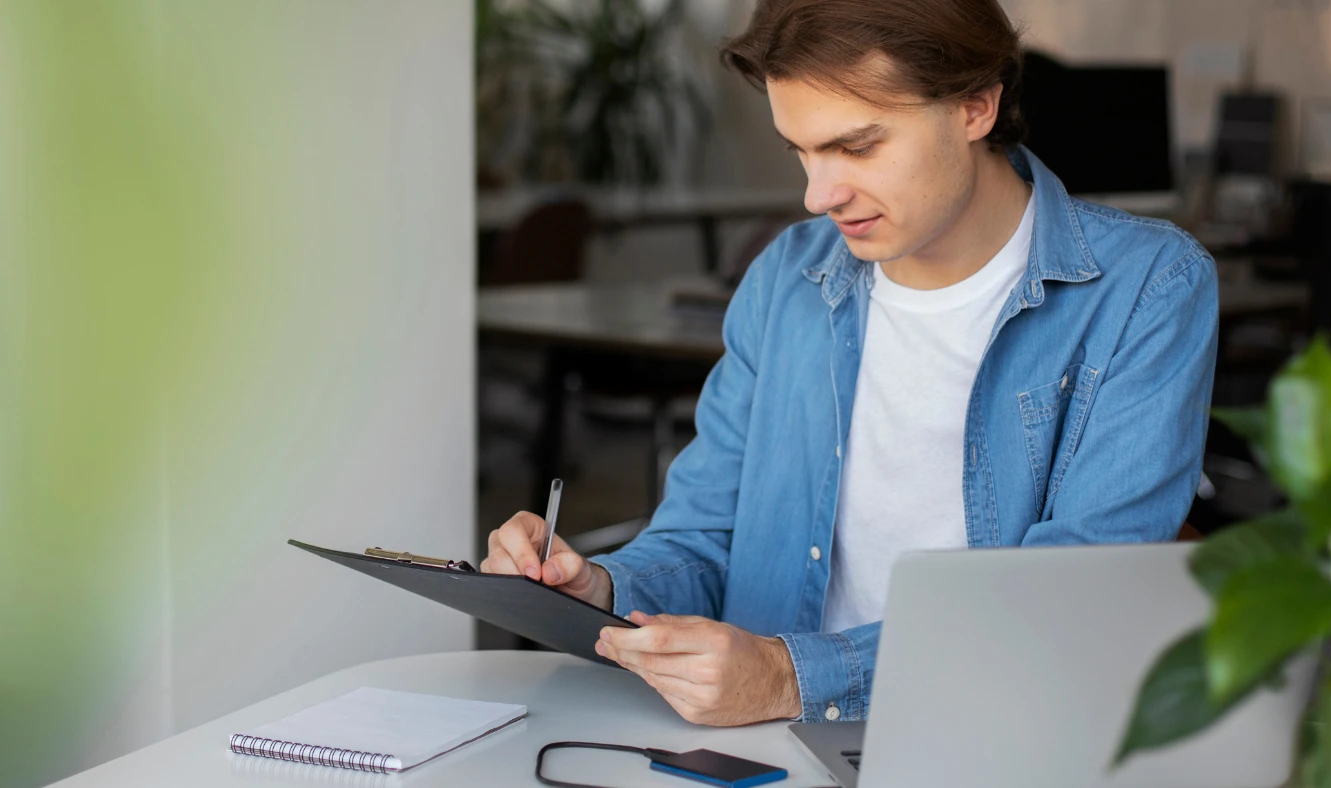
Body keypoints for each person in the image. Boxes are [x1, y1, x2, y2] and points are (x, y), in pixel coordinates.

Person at [481, 0, 1218, 727]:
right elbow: (704, 535)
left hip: (1000, 732)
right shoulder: (786, 278)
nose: (818, 195)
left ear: (976, 106)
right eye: (800, 151)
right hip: (769, 741)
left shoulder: (1149, 287)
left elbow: (1070, 595)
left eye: (858, 146)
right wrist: (602, 589)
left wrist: (788, 677)